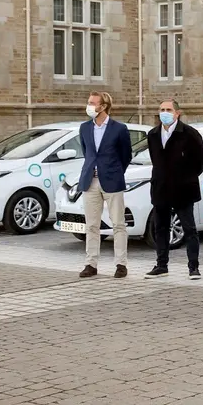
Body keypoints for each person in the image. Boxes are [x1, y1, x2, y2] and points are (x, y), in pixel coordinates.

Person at [144, 99, 203, 280]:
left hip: (183, 189)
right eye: (162, 109)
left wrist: (188, 177)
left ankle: (193, 267)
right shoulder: (153, 134)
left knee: (189, 229)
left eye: (169, 109)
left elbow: (202, 159)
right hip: (160, 188)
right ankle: (161, 265)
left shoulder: (189, 134)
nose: (164, 113)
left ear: (177, 113)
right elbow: (156, 159)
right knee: (161, 228)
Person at [77, 91, 133, 278]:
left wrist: (114, 172)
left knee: (118, 224)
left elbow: (126, 155)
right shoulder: (84, 128)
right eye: (89, 102)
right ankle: (90, 264)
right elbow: (87, 153)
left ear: (104, 106)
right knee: (91, 225)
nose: (89, 106)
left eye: (93, 103)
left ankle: (121, 264)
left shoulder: (119, 129)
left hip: (112, 181)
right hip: (90, 181)